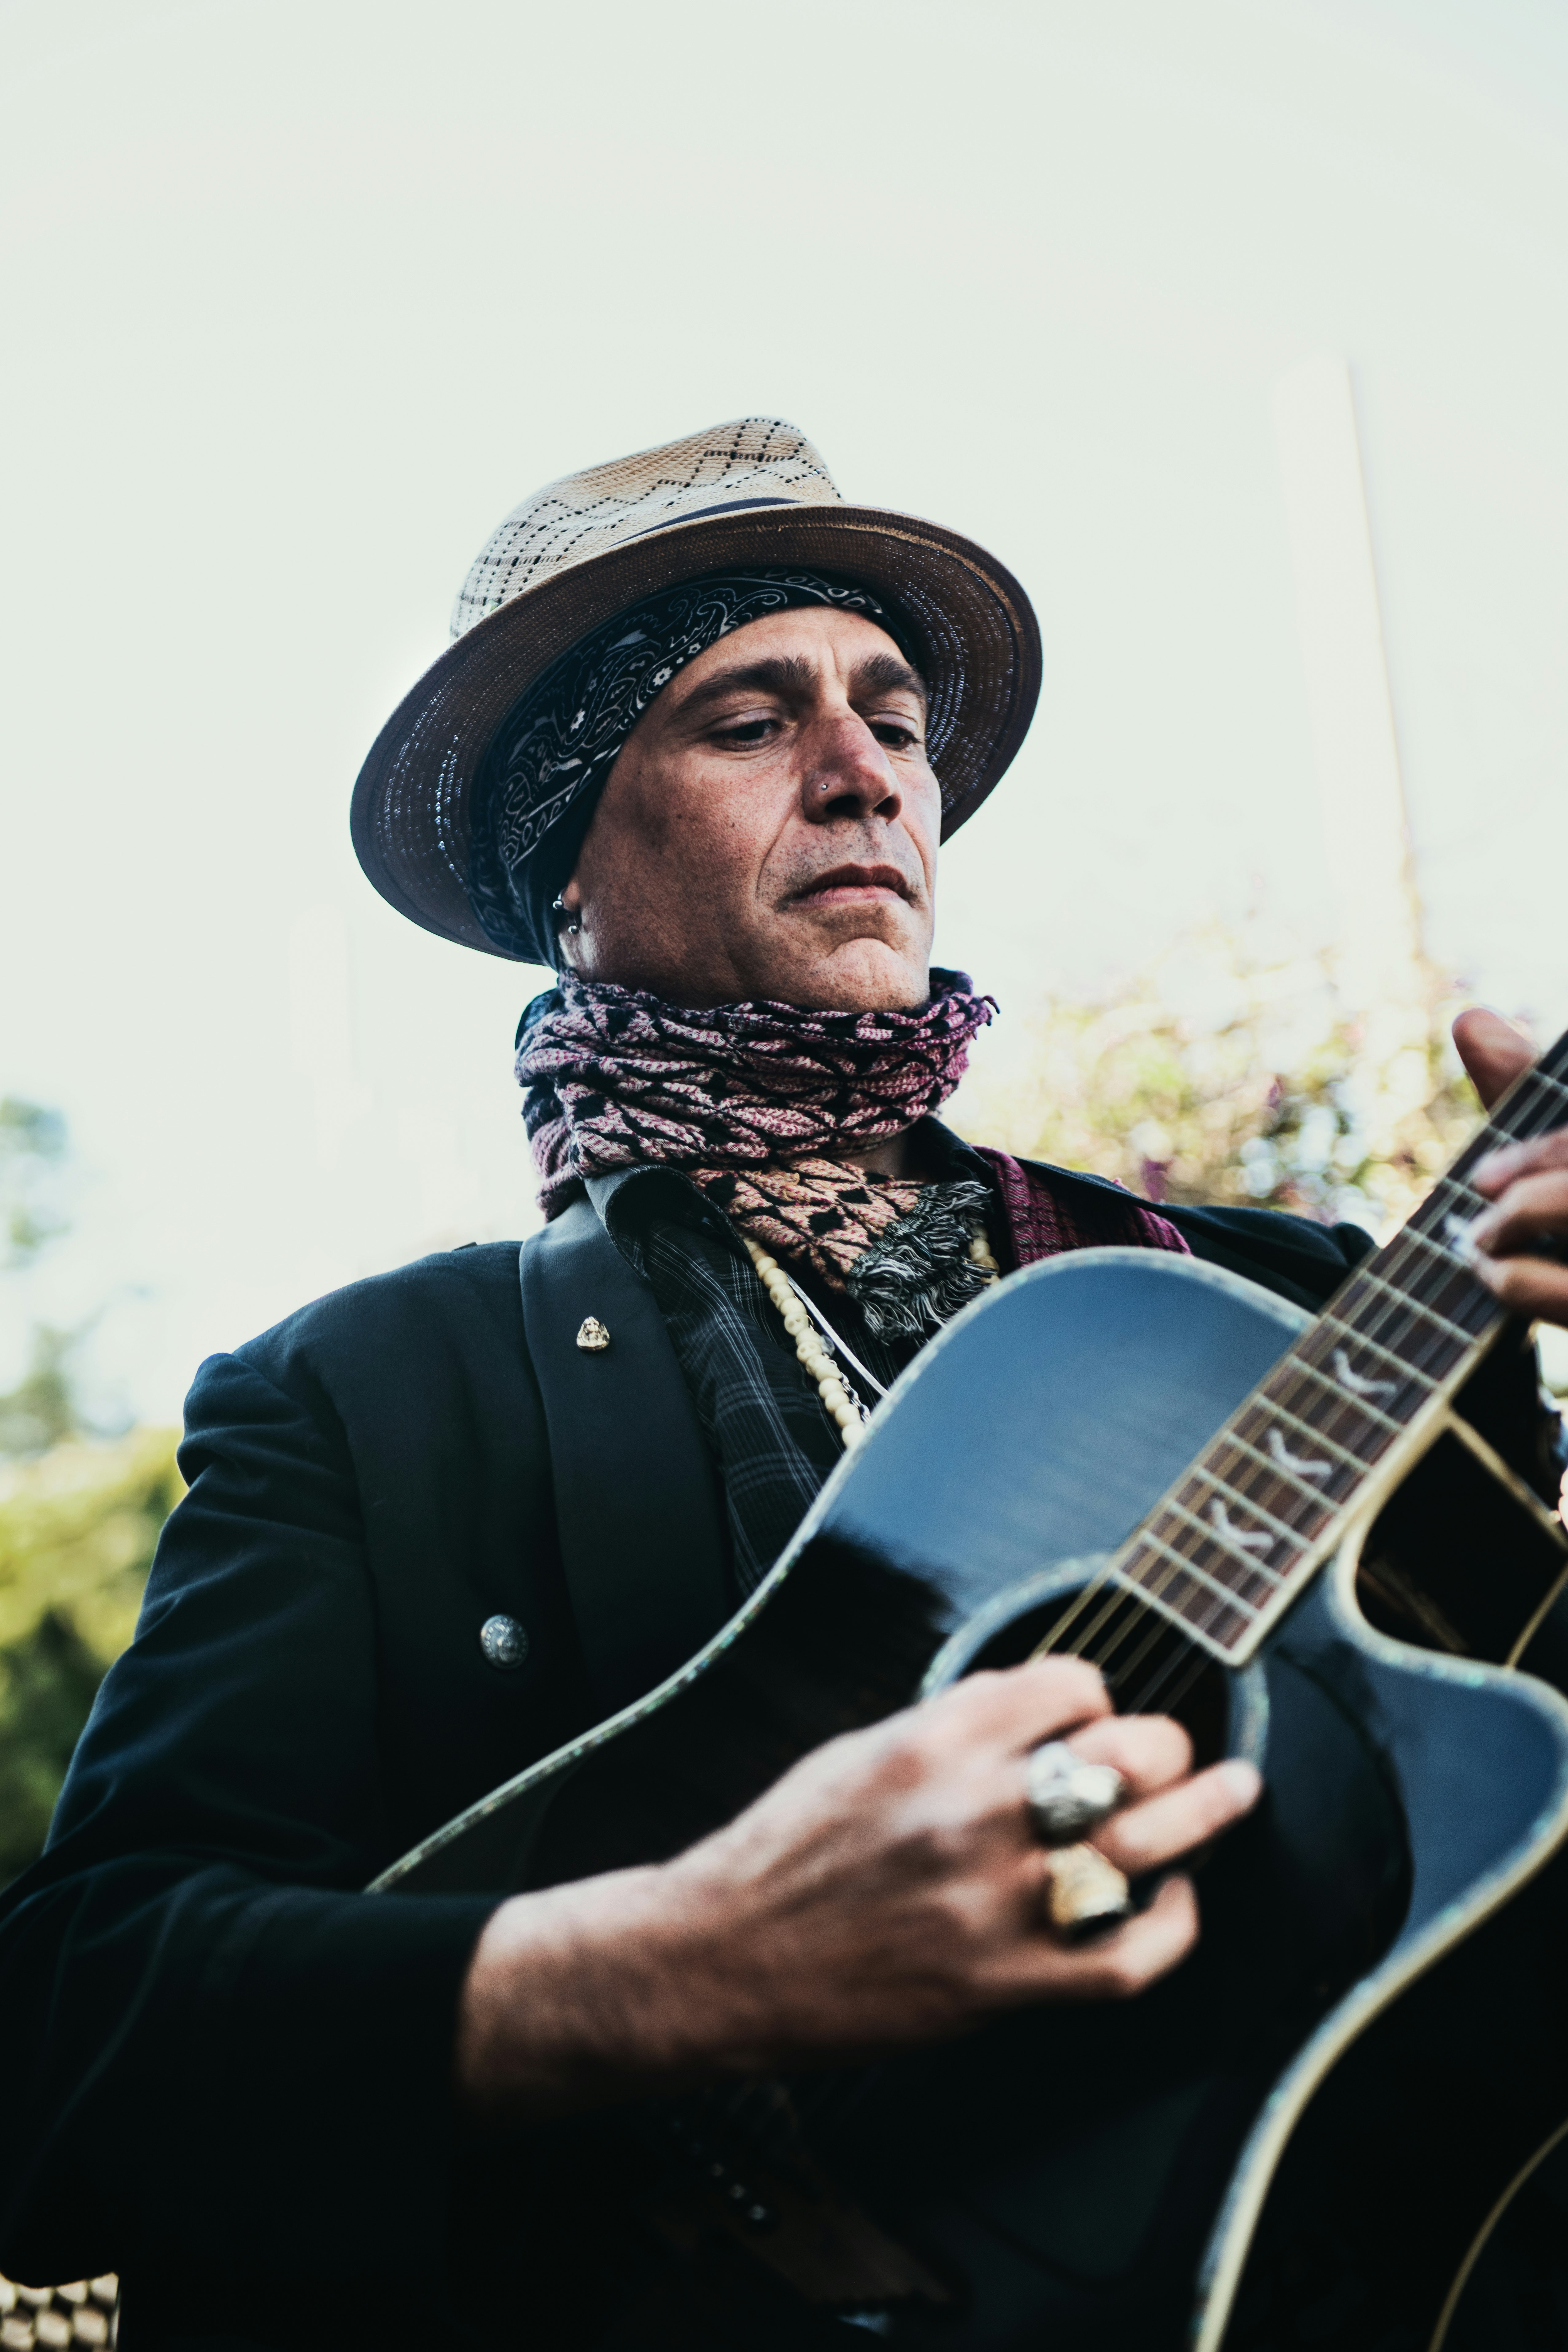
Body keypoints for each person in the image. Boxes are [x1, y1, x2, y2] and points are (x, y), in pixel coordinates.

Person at [1, 419, 1564, 2351]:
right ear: (563, 858)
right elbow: (77, 2030)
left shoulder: (1284, 1296)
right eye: (751, 719)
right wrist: (686, 1964)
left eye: (895, 721)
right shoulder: (373, 1396)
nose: (866, 775)